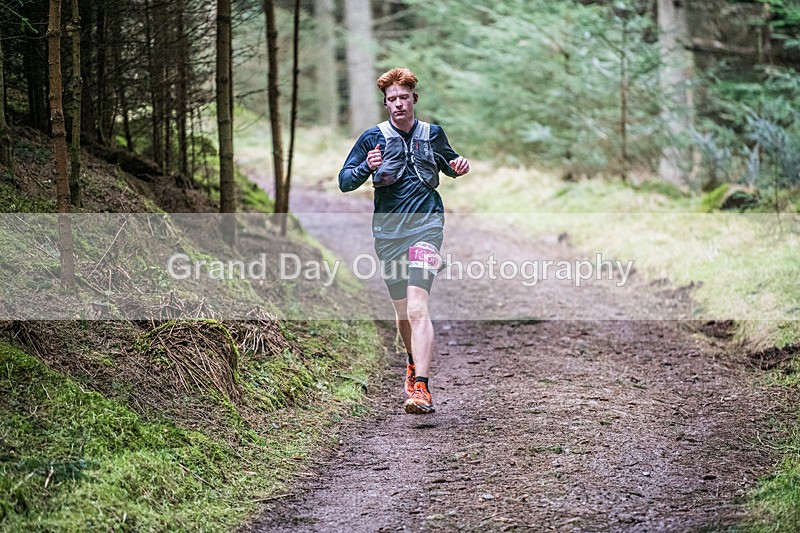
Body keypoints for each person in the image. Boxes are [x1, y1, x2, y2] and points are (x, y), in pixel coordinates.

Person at [338, 67, 470, 414]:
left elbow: (448, 163)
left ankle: (422, 389)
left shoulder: (432, 133)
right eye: (391, 100)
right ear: (386, 104)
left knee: (416, 306)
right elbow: (345, 181)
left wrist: (457, 166)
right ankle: (412, 363)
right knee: (402, 311)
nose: (398, 104)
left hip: (427, 225)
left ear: (414, 99)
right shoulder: (372, 138)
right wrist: (366, 166)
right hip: (388, 232)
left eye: (403, 97)